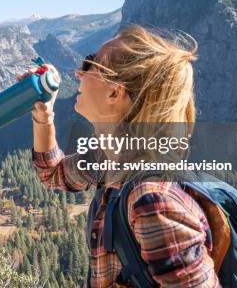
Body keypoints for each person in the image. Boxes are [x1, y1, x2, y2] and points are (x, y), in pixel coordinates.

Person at [24, 24, 219, 287]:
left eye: (90, 63)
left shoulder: (152, 201)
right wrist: (43, 116)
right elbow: (54, 173)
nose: (79, 73)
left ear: (115, 92)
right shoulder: (110, 160)